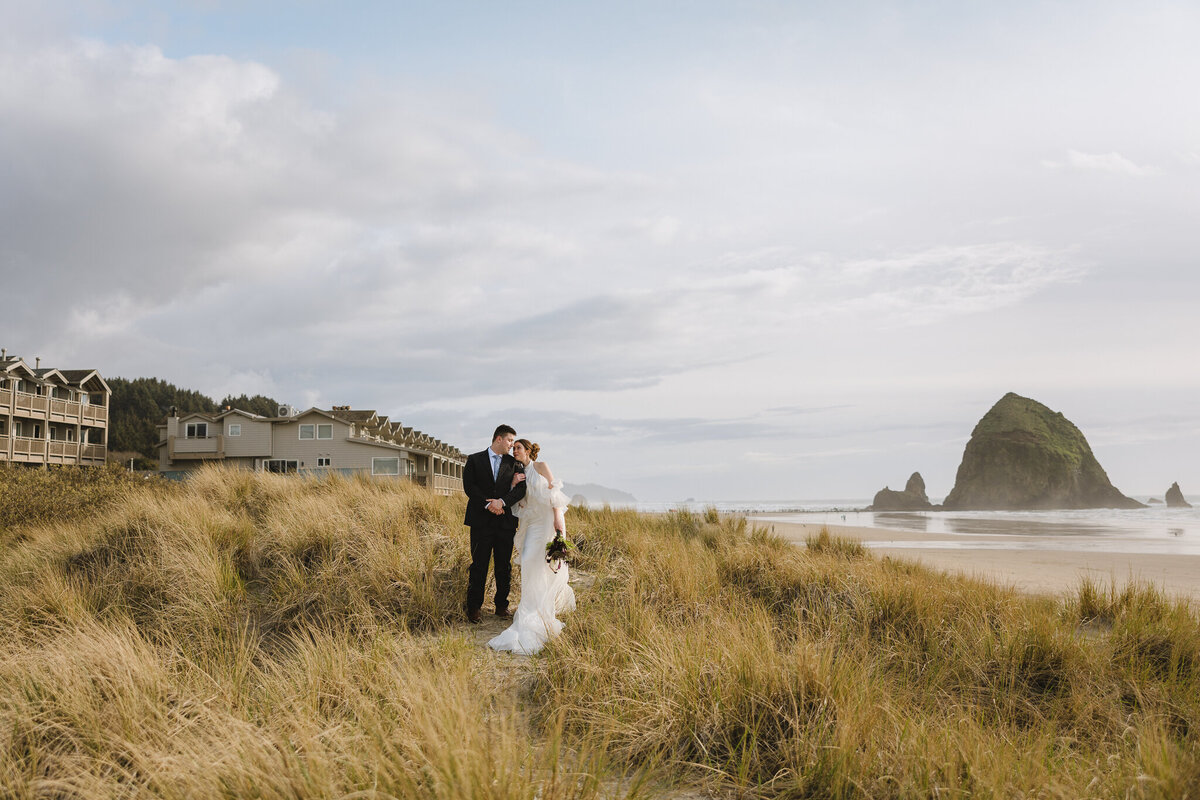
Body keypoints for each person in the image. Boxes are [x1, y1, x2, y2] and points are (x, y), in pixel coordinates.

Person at [488, 439, 576, 655]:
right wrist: (513, 485)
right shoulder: (518, 472)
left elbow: (555, 492)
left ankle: (541, 607)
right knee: (528, 560)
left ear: (528, 450)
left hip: (547, 520)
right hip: (532, 523)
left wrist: (558, 520)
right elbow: (519, 501)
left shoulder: (540, 466)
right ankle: (529, 607)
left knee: (544, 565)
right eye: (513, 448)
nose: (514, 451)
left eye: (518, 447)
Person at [462, 424, 527, 624]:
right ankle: (474, 608)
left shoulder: (514, 463)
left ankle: (501, 606)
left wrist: (502, 502)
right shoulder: (474, 460)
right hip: (480, 521)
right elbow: (469, 487)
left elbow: (521, 489)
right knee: (479, 565)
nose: (512, 445)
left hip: (505, 522)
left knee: (503, 566)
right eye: (510, 440)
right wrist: (488, 503)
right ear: (499, 439)